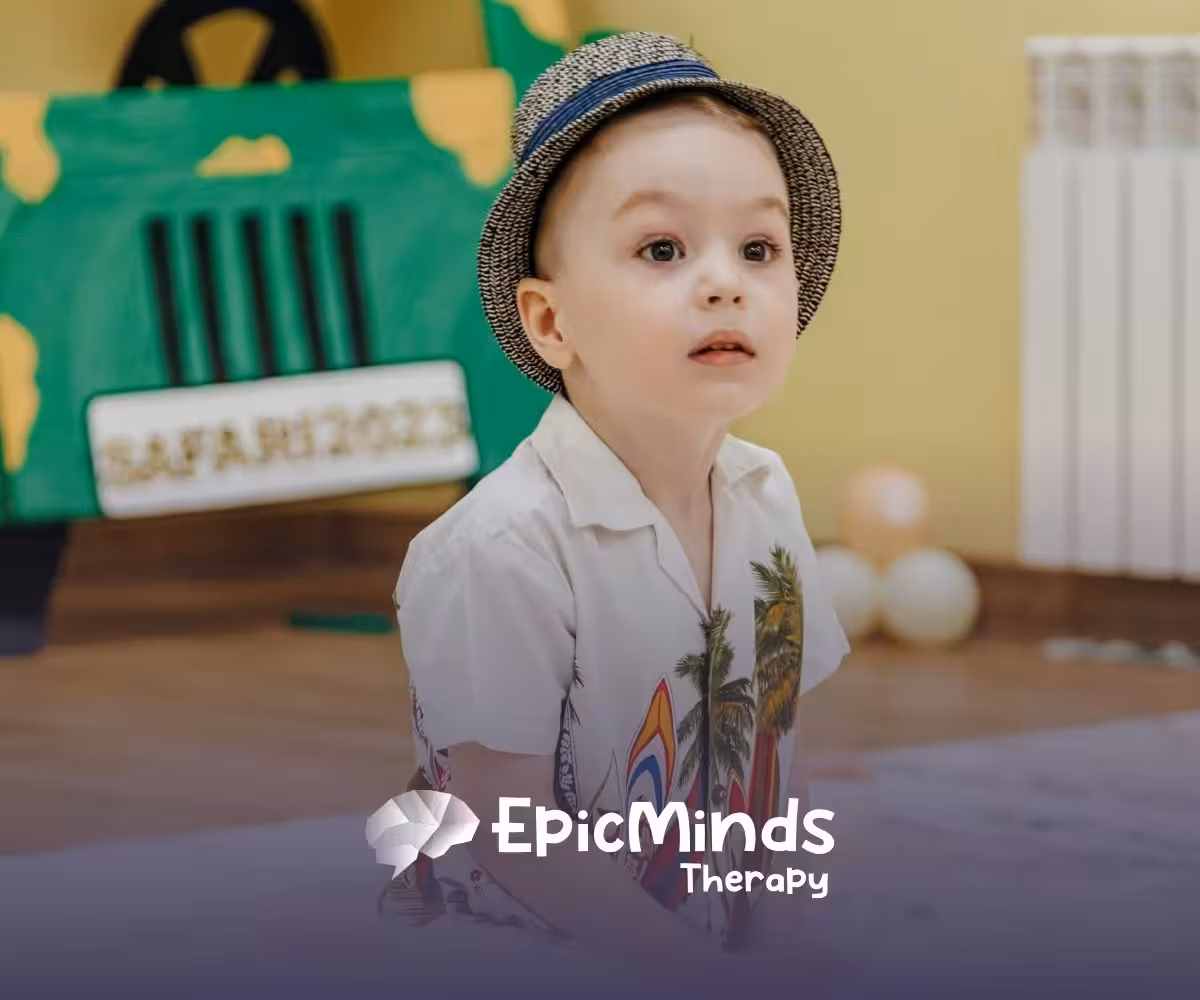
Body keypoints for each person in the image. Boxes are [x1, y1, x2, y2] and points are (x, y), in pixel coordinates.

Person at [387, 29, 849, 983]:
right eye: (663, 248)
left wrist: (764, 945)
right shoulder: (501, 546)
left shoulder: (766, 501)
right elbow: (507, 830)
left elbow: (766, 765)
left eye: (758, 247)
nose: (724, 281)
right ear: (552, 322)